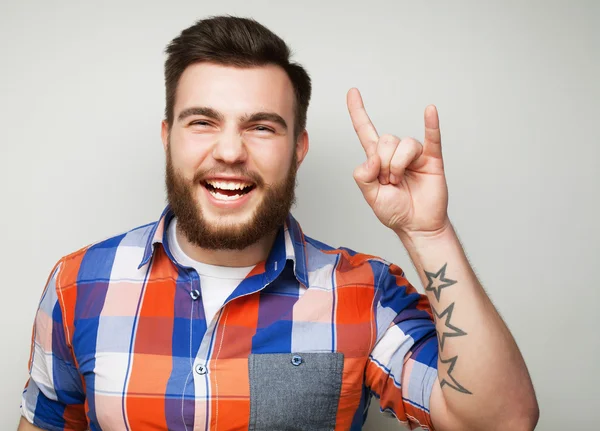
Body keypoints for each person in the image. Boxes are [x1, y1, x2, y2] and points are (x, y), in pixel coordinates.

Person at [18, 15, 538, 431]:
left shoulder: (366, 293)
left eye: (261, 127)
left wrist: (430, 235)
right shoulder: (77, 284)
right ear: (167, 136)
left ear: (298, 150)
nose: (229, 151)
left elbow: (501, 422)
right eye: (202, 122)